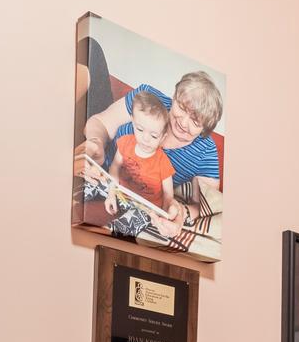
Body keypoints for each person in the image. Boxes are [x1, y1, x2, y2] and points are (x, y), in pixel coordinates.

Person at [79, 70, 225, 242]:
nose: (183, 123)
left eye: (195, 121)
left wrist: (180, 213)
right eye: (182, 108)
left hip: (143, 204)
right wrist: (96, 143)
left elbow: (202, 206)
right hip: (103, 176)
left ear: (206, 129)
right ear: (174, 95)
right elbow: (100, 122)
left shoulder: (205, 152)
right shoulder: (147, 101)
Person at [103, 89, 181, 225]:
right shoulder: (125, 142)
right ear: (132, 122)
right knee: (88, 186)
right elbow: (114, 167)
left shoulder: (163, 162)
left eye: (154, 135)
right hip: (120, 194)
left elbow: (168, 196)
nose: (145, 138)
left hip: (145, 209)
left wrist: (163, 216)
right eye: (139, 129)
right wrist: (111, 194)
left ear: (162, 138)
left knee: (127, 223)